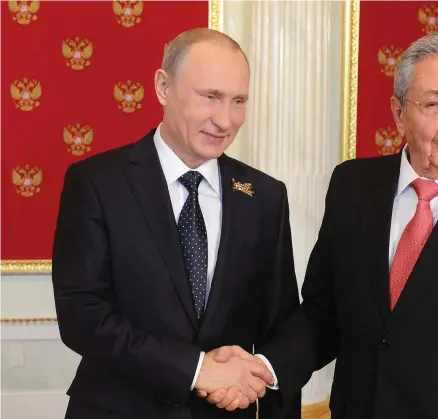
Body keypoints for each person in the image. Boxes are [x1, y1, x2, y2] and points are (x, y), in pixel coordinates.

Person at [203, 32, 438, 418]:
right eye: (435, 104)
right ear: (399, 111)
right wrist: (264, 366)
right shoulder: (354, 186)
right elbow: (324, 314)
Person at [51, 28, 301, 419]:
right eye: (210, 97)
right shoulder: (97, 183)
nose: (225, 120)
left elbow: (282, 326)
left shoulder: (265, 196)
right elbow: (82, 316)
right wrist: (195, 371)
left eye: (238, 101)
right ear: (163, 87)